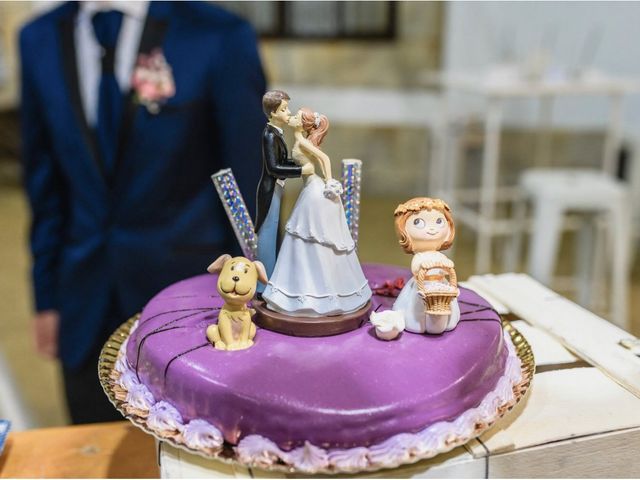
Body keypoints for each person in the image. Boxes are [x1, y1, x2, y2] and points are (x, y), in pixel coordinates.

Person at [20, 1, 265, 424]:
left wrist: (250, 298)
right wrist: (47, 298)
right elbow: (44, 183)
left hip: (189, 302)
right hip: (82, 296)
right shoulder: (37, 37)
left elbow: (247, 185)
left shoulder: (219, 35)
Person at [262, 108, 372, 316]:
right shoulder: (298, 139)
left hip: (314, 190)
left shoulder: (303, 142)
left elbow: (324, 159)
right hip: (310, 187)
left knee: (309, 235)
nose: (291, 117)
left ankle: (321, 290)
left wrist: (329, 180)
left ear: (303, 124)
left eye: (296, 117)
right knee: (306, 236)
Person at [255, 90, 312, 291]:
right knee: (267, 234)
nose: (288, 113)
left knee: (273, 232)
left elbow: (281, 161)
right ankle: (263, 286)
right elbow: (273, 168)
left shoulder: (277, 133)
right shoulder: (269, 135)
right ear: (272, 113)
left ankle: (270, 278)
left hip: (277, 188)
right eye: (284, 109)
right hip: (270, 190)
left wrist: (297, 161)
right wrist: (300, 169)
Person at [392, 197, 460, 334]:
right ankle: (417, 323)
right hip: (421, 288)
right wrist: (423, 266)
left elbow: (447, 270)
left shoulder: (439, 255)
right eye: (418, 222)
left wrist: (447, 266)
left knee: (446, 306)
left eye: (439, 221)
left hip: (440, 288)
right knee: (418, 312)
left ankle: (446, 321)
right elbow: (416, 268)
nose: (432, 228)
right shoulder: (419, 257)